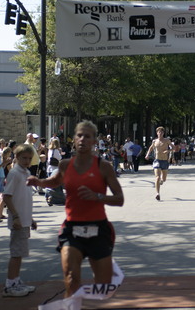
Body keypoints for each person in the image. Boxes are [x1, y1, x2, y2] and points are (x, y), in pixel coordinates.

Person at [27, 120, 124, 298]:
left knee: (104, 287)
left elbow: (120, 199)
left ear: (95, 141)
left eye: (87, 136)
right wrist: (38, 181)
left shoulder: (103, 166)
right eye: (79, 135)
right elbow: (55, 182)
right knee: (71, 279)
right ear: (74, 140)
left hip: (98, 228)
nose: (82, 140)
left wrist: (98, 197)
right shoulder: (65, 165)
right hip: (72, 229)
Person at [1, 144, 37, 297]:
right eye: (24, 158)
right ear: (16, 157)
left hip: (24, 220)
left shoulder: (26, 172)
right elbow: (7, 196)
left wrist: (31, 218)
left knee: (20, 252)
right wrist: (15, 216)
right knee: (16, 253)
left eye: (29, 158)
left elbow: (24, 198)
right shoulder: (15, 173)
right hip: (18, 221)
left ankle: (16, 280)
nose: (27, 161)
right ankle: (10, 285)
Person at [145, 126, 172, 201]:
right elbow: (151, 148)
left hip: (165, 161)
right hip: (157, 161)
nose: (160, 133)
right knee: (157, 177)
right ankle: (157, 194)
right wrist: (147, 155)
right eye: (159, 132)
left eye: (161, 132)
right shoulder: (154, 141)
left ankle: (161, 181)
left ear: (163, 133)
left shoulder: (167, 140)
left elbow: (174, 147)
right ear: (157, 133)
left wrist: (168, 151)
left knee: (164, 179)